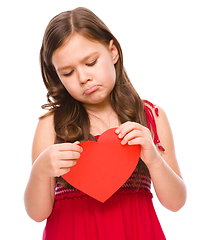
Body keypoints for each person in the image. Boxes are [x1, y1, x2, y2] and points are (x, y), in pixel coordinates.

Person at [24, 7, 186, 240]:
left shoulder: (152, 116)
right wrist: (40, 172)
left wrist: (153, 159)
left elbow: (176, 202)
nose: (83, 78)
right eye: (68, 73)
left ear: (113, 52)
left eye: (90, 62)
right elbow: (37, 213)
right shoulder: (51, 125)